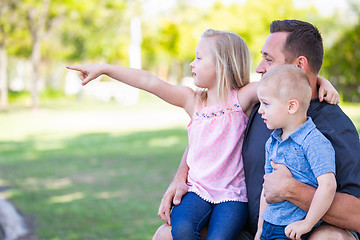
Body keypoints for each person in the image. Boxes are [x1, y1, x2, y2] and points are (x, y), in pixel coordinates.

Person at [154, 19, 360, 240]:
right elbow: (210, 132)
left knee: (332, 238)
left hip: (297, 234)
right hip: (250, 231)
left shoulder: (334, 128)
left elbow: (357, 215)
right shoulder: (262, 106)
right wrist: (180, 177)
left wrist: (291, 190)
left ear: (299, 65)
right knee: (166, 235)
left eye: (268, 60)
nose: (259, 68)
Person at [68, 29, 260, 240]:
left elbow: (281, 84)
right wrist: (105, 69)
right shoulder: (193, 101)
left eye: (198, 58)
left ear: (222, 64)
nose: (192, 64)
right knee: (183, 230)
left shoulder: (242, 99)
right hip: (197, 192)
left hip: (232, 196)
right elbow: (149, 81)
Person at [255, 65, 337, 240]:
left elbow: (328, 186)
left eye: (266, 104)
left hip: (291, 230)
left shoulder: (314, 142)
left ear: (291, 106)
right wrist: (260, 228)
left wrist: (307, 223)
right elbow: (267, 187)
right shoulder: (272, 141)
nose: (260, 110)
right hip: (269, 225)